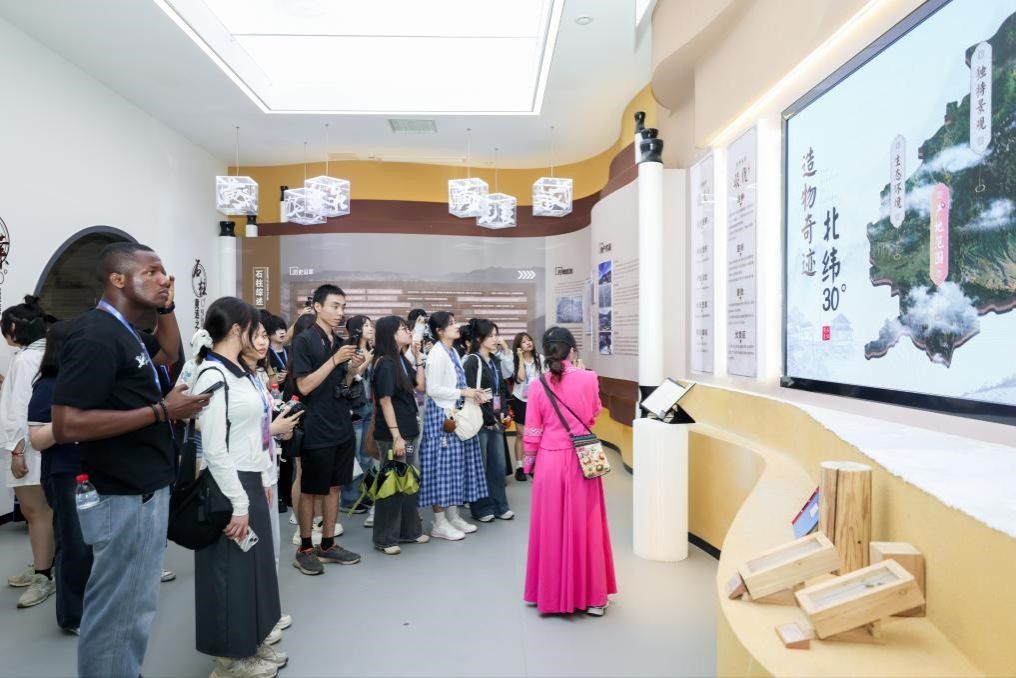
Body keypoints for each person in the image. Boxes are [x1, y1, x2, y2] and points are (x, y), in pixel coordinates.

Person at [52, 243, 211, 677]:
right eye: (152, 271)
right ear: (118, 279)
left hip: (142, 488)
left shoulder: (124, 331)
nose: (164, 278)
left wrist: (167, 306)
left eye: (165, 272)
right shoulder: (96, 335)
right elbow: (66, 424)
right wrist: (162, 411)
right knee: (118, 609)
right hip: (122, 492)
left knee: (135, 605)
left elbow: (170, 351)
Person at [190, 298, 289, 677]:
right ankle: (229, 660)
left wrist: (263, 476)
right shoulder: (213, 375)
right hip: (228, 484)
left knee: (252, 570)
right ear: (236, 331)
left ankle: (251, 642)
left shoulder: (242, 372)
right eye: (254, 329)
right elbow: (215, 449)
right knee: (229, 572)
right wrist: (239, 503)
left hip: (251, 478)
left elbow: (255, 431)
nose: (260, 337)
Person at [523, 327, 617, 616]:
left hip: (549, 462)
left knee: (550, 527)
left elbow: (532, 430)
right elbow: (593, 414)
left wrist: (528, 464)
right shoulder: (589, 378)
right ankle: (593, 598)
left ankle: (549, 595)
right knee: (587, 526)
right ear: (572, 350)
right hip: (582, 459)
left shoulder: (537, 385)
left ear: (545, 351)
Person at [289, 284, 364, 575]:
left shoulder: (338, 343)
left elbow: (342, 385)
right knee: (311, 489)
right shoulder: (305, 341)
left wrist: (352, 370)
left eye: (343, 306)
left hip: (341, 423)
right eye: (335, 306)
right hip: (316, 425)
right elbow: (304, 385)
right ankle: (305, 547)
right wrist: (335, 360)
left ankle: (328, 543)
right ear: (317, 307)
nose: (340, 312)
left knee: (334, 487)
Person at [28, 320, 91, 632]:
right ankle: (73, 616)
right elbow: (37, 439)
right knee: (74, 544)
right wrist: (68, 422)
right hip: (66, 475)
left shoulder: (90, 380)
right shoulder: (48, 385)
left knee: (94, 543)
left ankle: (94, 607)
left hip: (96, 471)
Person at [2, 295, 55, 610]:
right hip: (40, 446)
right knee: (43, 512)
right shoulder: (41, 354)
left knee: (36, 513)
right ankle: (43, 564)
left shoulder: (25, 360)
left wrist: (17, 451)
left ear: (12, 328)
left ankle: (43, 575)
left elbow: (22, 409)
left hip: (28, 448)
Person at [418, 312, 488, 541]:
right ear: (439, 331)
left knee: (455, 467)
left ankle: (453, 515)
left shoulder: (452, 351)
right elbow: (433, 389)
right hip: (441, 418)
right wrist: (464, 392)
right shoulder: (437, 353)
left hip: (452, 414)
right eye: (450, 324)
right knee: (441, 469)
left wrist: (470, 393)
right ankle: (439, 523)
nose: (456, 326)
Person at [369, 316, 429, 554]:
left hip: (409, 433)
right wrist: (396, 437)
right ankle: (385, 538)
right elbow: (385, 401)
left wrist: (418, 357)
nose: (409, 332)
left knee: (408, 481)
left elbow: (420, 386)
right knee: (391, 485)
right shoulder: (385, 363)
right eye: (404, 329)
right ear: (391, 334)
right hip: (395, 437)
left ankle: (408, 531)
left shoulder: (401, 359)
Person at [462, 319, 514, 523]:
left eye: (496, 335)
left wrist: (504, 412)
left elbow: (500, 390)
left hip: (496, 420)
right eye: (490, 336)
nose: (495, 339)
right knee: (480, 467)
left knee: (498, 467)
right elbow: (471, 394)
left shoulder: (495, 360)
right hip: (479, 421)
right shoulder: (472, 361)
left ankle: (501, 506)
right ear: (478, 338)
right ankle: (481, 509)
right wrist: (489, 417)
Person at [339, 315, 375, 520]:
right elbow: (349, 378)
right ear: (356, 329)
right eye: (366, 325)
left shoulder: (371, 350)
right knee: (354, 456)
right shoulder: (349, 351)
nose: (370, 328)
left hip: (370, 406)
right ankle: (349, 498)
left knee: (367, 454)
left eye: (371, 325)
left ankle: (364, 493)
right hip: (355, 408)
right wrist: (366, 361)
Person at [504, 332, 542, 482]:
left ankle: (532, 465)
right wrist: (520, 357)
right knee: (521, 434)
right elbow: (520, 378)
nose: (528, 343)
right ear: (519, 346)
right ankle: (520, 467)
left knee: (534, 435)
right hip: (519, 399)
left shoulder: (540, 359)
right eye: (524, 341)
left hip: (537, 401)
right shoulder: (514, 360)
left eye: (529, 340)